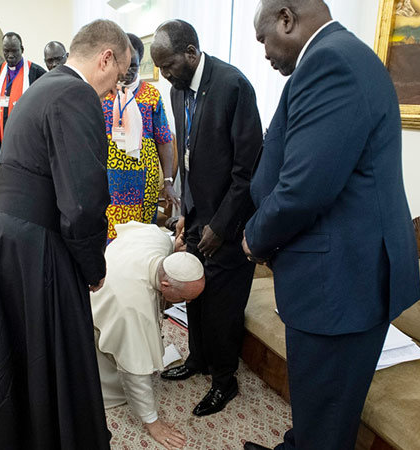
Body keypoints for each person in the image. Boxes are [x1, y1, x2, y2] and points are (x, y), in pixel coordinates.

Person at [242, 2, 420, 450]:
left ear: (287, 18)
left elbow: (304, 188)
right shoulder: (337, 55)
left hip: (340, 284)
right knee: (318, 404)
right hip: (336, 277)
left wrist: (253, 237)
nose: (263, 52)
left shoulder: (330, 61)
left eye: (263, 38)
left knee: (327, 419)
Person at [0, 19, 131, 449]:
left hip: (4, 232)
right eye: (118, 78)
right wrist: (91, 266)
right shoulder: (76, 93)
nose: (115, 91)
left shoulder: (43, 87)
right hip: (34, 242)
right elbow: (82, 202)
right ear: (106, 58)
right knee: (52, 349)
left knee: (16, 351)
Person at [150, 19, 262, 416]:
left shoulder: (233, 86)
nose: (163, 75)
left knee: (222, 306)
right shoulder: (178, 91)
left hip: (231, 223)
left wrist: (221, 225)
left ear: (191, 54)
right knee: (191, 293)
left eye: (167, 66)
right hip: (199, 215)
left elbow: (248, 170)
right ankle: (197, 359)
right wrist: (186, 211)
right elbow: (189, 157)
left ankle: (224, 380)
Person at [91, 221, 204, 450]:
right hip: (93, 316)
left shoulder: (159, 238)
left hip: (111, 280)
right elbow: (135, 373)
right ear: (165, 284)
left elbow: (167, 240)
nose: (189, 303)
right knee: (124, 368)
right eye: (186, 298)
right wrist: (153, 422)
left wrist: (175, 246)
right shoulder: (134, 309)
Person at [102, 33, 177, 242]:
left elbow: (164, 139)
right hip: (110, 181)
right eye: (123, 65)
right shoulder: (103, 93)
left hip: (145, 180)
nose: (127, 72)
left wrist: (169, 182)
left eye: (133, 66)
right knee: (113, 239)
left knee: (141, 241)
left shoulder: (151, 95)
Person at [0, 32, 46, 162]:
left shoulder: (37, 73)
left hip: (27, 139)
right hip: (3, 136)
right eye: (6, 51)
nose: (10, 55)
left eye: (14, 51)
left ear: (22, 49)